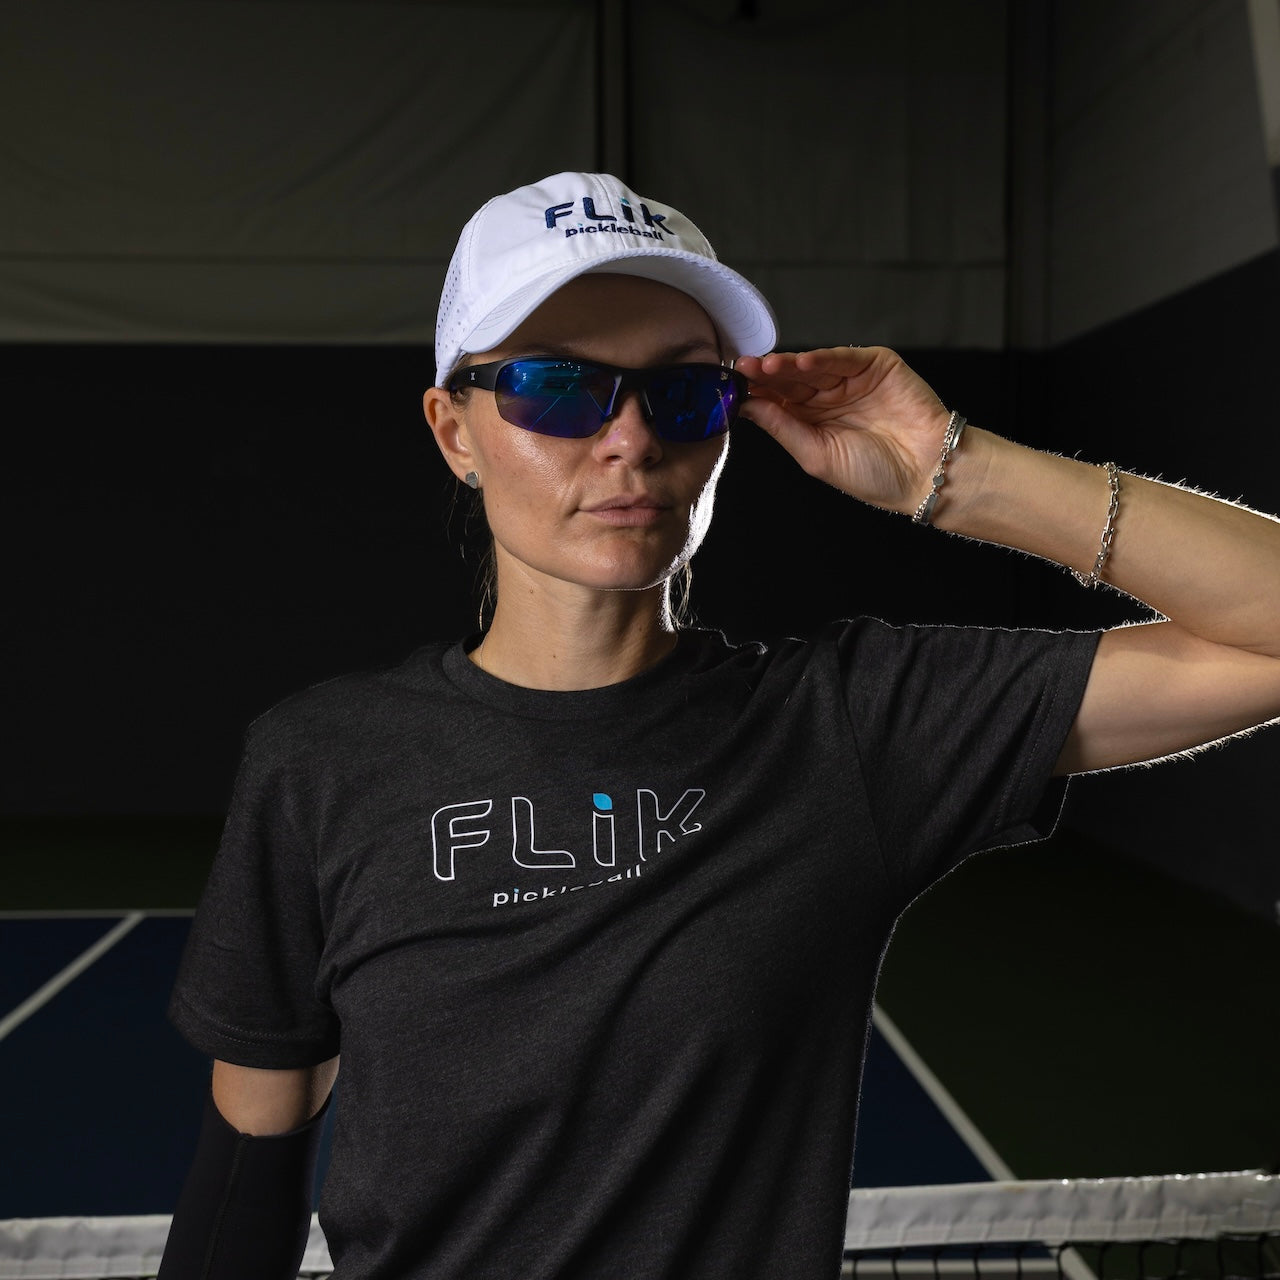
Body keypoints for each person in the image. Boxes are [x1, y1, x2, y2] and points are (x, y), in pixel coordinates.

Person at [159, 172, 1280, 1280]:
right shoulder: (321, 759)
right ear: (453, 428)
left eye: (685, 394)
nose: (630, 440)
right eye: (556, 388)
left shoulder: (847, 727)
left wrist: (958, 472)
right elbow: (248, 1161)